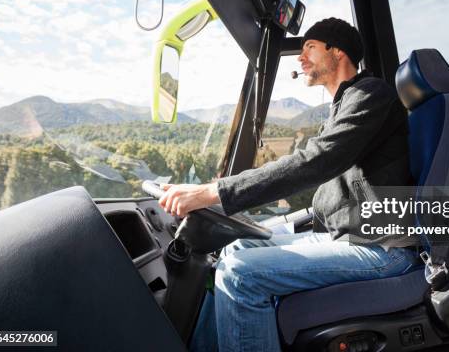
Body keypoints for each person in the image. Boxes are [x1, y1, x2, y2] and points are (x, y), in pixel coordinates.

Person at [159, 18, 417, 352]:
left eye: (310, 46)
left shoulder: (372, 95)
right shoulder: (343, 105)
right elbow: (326, 180)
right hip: (344, 234)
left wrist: (214, 193)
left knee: (240, 274)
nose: (300, 57)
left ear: (337, 52)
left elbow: (315, 161)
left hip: (381, 247)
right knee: (235, 247)